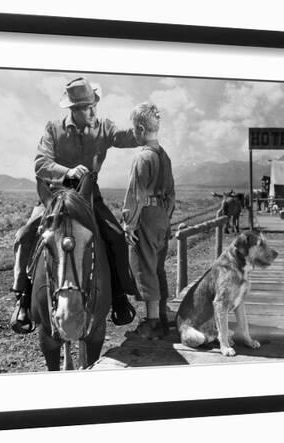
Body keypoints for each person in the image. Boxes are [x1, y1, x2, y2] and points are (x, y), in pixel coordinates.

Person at [10, 77, 140, 333]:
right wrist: (67, 172)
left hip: (90, 195)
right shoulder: (53, 130)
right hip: (54, 195)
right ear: (73, 109)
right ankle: (23, 299)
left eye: (93, 105)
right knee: (25, 236)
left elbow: (126, 137)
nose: (92, 111)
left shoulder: (104, 127)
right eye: (85, 107)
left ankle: (118, 297)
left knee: (115, 237)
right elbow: (40, 163)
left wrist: (144, 127)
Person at [122, 103, 175, 339]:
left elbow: (135, 195)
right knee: (158, 267)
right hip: (162, 216)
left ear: (141, 128)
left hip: (146, 216)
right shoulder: (165, 157)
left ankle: (152, 323)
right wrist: (167, 218)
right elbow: (172, 194)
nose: (134, 133)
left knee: (144, 266)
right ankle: (162, 317)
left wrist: (129, 223)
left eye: (134, 129)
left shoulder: (142, 158)